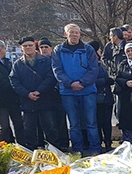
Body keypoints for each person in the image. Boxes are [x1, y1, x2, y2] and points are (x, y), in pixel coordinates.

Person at [52, 23, 101, 155]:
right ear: (65, 34)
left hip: (88, 91)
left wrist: (82, 83)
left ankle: (95, 148)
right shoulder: (58, 50)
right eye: (71, 32)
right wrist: (69, 84)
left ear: (80, 34)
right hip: (68, 92)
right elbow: (57, 70)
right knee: (74, 124)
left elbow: (94, 69)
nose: (74, 35)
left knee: (91, 122)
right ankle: (77, 149)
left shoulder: (88, 49)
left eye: (77, 32)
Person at [9, 37, 62, 150]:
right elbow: (14, 81)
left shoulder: (46, 61)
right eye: (25, 46)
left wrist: (39, 91)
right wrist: (27, 94)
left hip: (45, 99)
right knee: (29, 130)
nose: (28, 48)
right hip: (28, 102)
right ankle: (32, 155)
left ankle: (55, 151)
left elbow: (51, 77)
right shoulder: (18, 64)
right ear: (21, 48)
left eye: (30, 45)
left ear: (35, 46)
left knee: (51, 128)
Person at [87, 40, 114, 152]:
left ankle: (108, 142)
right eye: (99, 49)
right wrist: (105, 81)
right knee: (98, 121)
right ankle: (99, 142)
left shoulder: (101, 63)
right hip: (96, 97)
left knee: (107, 122)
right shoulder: (89, 64)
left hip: (106, 97)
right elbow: (90, 80)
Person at [0, 40, 25, 145]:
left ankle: (23, 145)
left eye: (2, 48)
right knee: (4, 126)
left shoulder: (9, 62)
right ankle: (6, 146)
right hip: (1, 101)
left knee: (19, 123)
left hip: (13, 99)